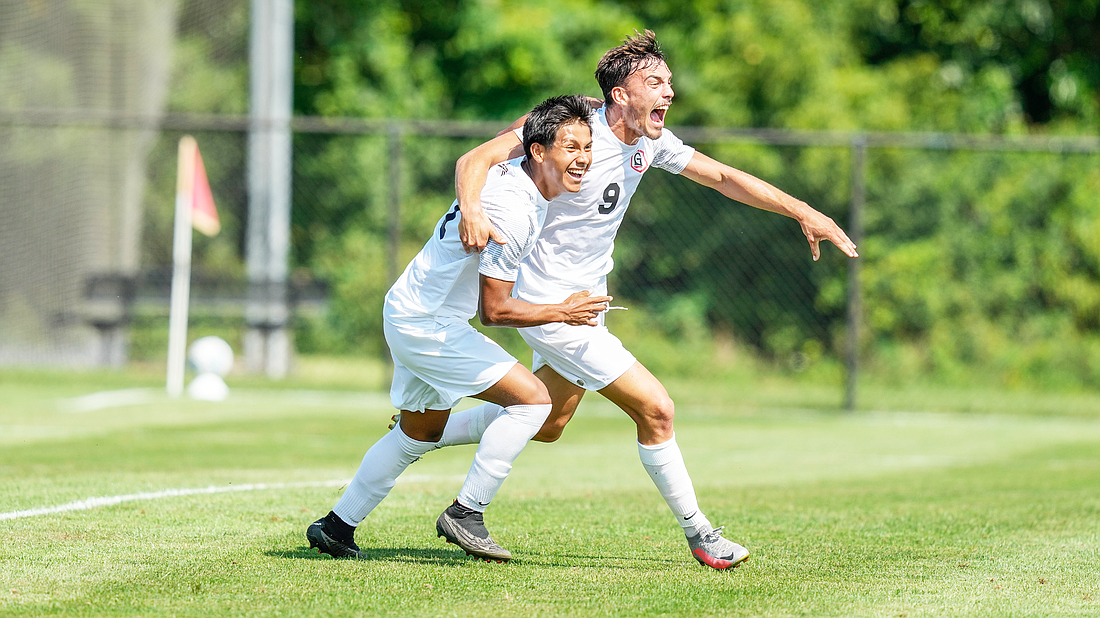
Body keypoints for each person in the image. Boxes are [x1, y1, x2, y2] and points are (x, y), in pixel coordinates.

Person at [431, 30, 859, 570]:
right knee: (657, 409)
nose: (668, 92)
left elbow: (723, 177)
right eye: (654, 81)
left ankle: (425, 426)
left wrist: (803, 210)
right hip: (549, 304)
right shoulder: (572, 128)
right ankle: (702, 535)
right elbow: (476, 160)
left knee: (548, 423)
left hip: (587, 304)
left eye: (670, 82)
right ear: (619, 94)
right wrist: (471, 208)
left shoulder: (651, 143)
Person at [307, 94, 610, 563]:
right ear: (539, 151)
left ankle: (335, 526)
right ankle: (467, 513)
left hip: (411, 311)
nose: (584, 159)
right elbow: (496, 310)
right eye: (571, 147)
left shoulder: (513, 170)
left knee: (416, 435)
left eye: (588, 147)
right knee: (533, 402)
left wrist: (567, 106)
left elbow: (495, 144)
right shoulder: (515, 209)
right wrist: (563, 310)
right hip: (429, 325)